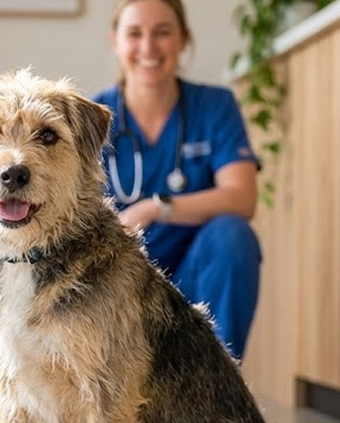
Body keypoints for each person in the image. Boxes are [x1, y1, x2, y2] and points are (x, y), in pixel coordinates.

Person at [94, 0, 262, 360]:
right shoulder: (93, 120)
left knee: (233, 236)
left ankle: (218, 379)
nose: (148, 47)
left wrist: (156, 208)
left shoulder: (214, 107)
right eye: (135, 33)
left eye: (163, 32)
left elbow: (242, 197)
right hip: (121, 284)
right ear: (115, 41)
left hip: (195, 279)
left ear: (184, 38)